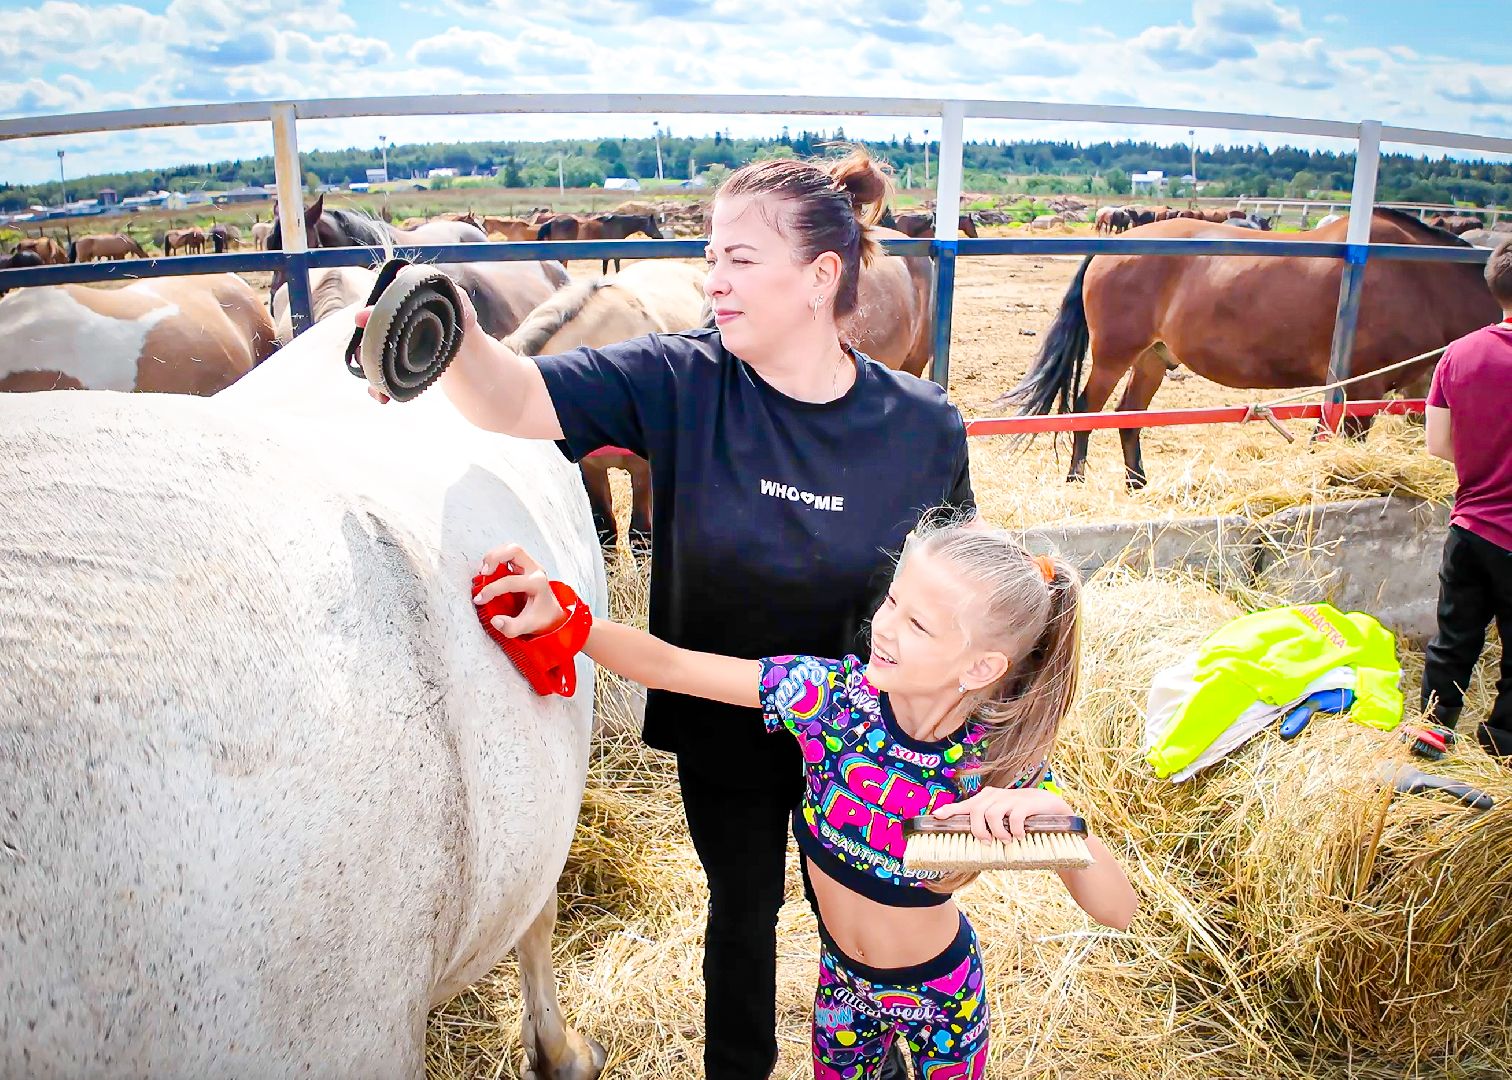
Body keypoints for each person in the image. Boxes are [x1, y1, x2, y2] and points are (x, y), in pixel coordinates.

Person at [360, 148, 973, 1079]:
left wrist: (974, 746)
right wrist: (444, 326)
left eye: (741, 260)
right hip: (725, 715)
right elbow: (515, 398)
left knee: (870, 909)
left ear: (820, 278)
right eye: (712, 255)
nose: (713, 279)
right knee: (742, 909)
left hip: (872, 732)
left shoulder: (924, 425)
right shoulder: (682, 379)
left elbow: (961, 589)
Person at [476, 513, 1138, 1078]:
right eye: (893, 603)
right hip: (841, 988)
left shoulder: (995, 769)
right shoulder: (829, 701)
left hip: (943, 998)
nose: (885, 627)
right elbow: (677, 667)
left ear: (982, 668)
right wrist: (571, 622)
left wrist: (1059, 826)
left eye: (919, 626)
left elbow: (1118, 911)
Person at [1422, 237, 1512, 756]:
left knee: (1454, 638)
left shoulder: (1459, 354)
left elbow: (1437, 444)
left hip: (1471, 527)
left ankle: (1435, 729)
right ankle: (1501, 743)